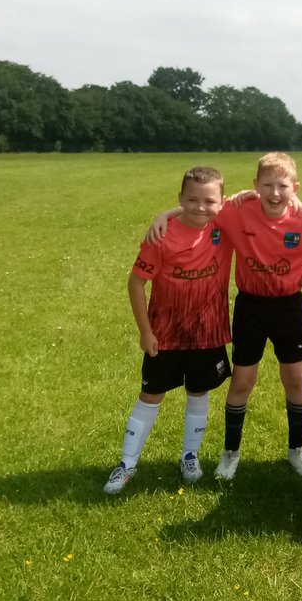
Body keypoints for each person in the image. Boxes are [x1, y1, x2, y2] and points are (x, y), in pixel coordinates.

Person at [146, 152, 302, 480]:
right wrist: (166, 213)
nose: (274, 193)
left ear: (295, 187)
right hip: (250, 307)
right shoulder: (239, 211)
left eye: (282, 186)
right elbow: (202, 210)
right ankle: (230, 453)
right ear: (255, 186)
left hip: (289, 308)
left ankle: (296, 451)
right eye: (267, 185)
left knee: (294, 378)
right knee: (243, 380)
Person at [104, 166, 232, 495]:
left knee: (198, 392)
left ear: (220, 203)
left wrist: (173, 209)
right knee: (151, 395)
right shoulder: (161, 236)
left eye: (208, 201)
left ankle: (190, 456)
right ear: (180, 199)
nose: (200, 207)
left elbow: (258, 199)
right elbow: (135, 283)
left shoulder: (225, 225)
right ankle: (127, 463)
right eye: (191, 200)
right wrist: (145, 332)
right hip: (165, 332)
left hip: (207, 332)